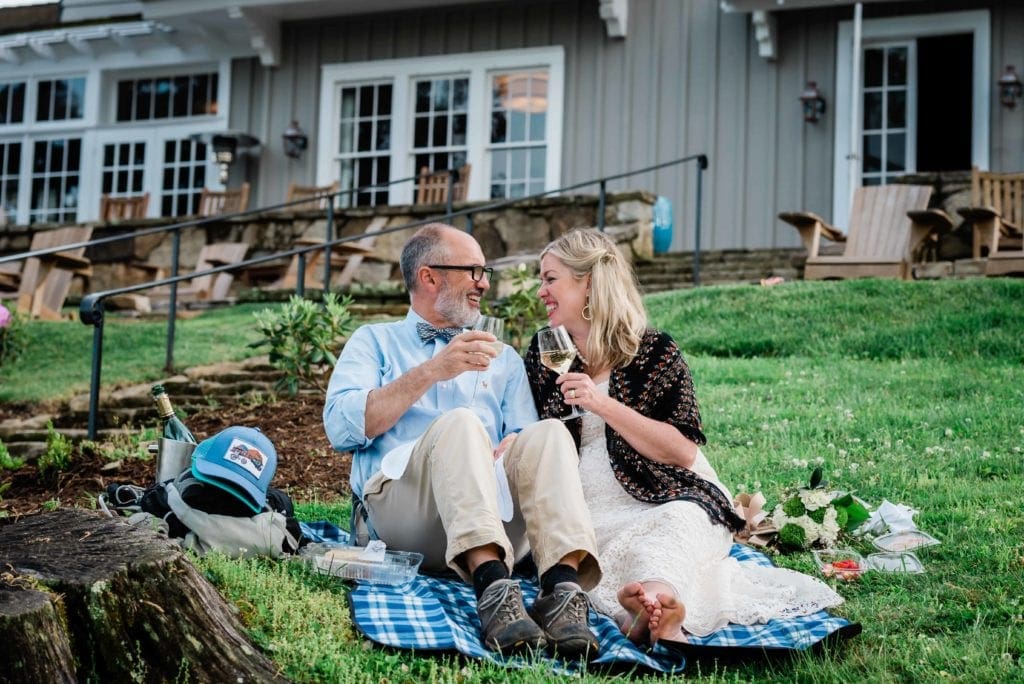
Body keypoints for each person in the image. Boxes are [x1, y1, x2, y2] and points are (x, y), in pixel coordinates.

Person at [524, 228, 843, 644]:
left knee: (678, 520)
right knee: (586, 541)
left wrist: (601, 404)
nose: (540, 291)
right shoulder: (543, 350)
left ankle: (656, 603)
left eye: (550, 279)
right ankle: (646, 611)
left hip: (664, 484)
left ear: (588, 283)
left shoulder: (656, 352)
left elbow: (682, 452)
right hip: (581, 494)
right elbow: (533, 434)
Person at [324, 223, 603, 658]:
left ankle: (562, 592)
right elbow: (340, 430)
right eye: (473, 271)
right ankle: (492, 590)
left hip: (494, 518)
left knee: (547, 433)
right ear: (429, 276)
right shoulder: (374, 341)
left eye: (484, 271)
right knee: (460, 423)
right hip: (405, 518)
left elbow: (522, 438)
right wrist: (433, 370)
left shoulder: (503, 357)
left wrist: (510, 446)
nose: (484, 283)